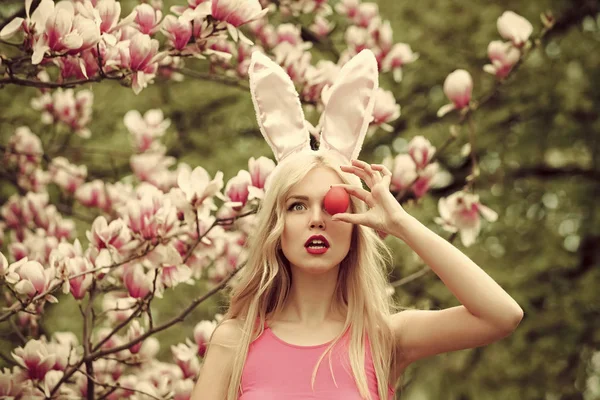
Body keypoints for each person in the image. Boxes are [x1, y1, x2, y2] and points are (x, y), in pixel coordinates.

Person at [191, 49, 523, 400]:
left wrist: (401, 223)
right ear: (277, 224)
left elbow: (502, 315)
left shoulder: (385, 338)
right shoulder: (236, 340)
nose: (317, 219)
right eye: (297, 205)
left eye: (332, 204)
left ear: (354, 224)